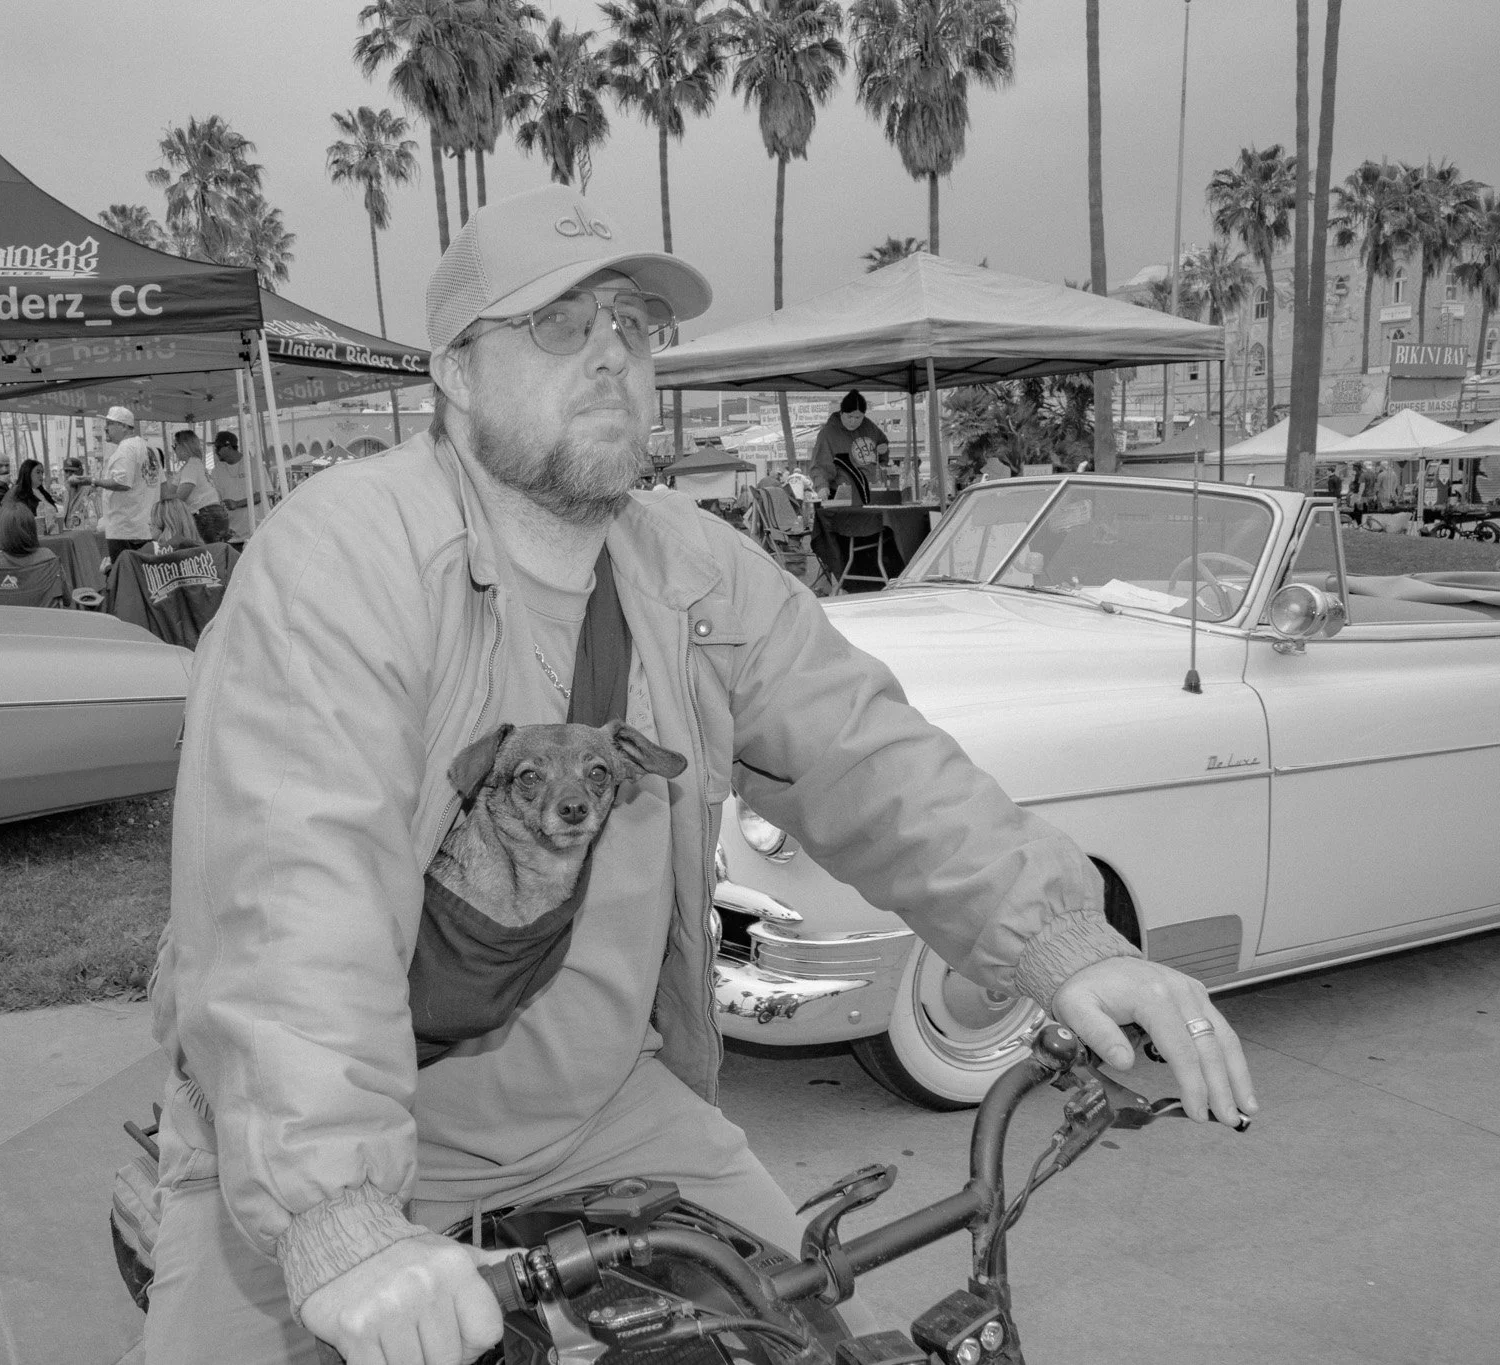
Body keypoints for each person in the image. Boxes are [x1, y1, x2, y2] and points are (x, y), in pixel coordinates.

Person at [143, 183, 1258, 1365]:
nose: (612, 355)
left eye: (634, 324)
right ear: (456, 373)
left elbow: (863, 750)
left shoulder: (692, 567)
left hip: (600, 1115)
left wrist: (1060, 942)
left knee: (821, 1336)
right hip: (326, 1148)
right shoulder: (340, 559)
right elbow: (287, 897)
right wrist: (334, 1219)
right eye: (562, 324)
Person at [73, 405, 161, 561]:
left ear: (124, 426)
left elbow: (122, 483)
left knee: (124, 576)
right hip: (147, 527)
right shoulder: (150, 449)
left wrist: (93, 481)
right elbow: (162, 485)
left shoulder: (126, 449)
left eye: (109, 424)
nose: (105, 428)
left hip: (125, 529)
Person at [807, 391, 887, 505]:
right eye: (849, 416)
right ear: (842, 413)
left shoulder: (870, 428)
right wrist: (822, 487)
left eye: (858, 417)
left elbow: (882, 442)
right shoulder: (827, 434)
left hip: (868, 492)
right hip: (840, 494)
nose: (853, 421)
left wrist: (883, 451)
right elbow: (820, 465)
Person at [159, 428, 221, 538]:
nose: (174, 450)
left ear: (183, 446)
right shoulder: (193, 464)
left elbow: (181, 496)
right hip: (211, 513)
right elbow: (169, 491)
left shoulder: (191, 466)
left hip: (205, 514)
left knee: (204, 552)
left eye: (175, 446)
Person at [208, 430, 269, 541]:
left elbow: (263, 495)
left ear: (228, 446)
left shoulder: (253, 464)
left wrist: (237, 503)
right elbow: (216, 501)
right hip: (231, 535)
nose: (216, 451)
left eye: (218, 447)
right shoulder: (216, 471)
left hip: (255, 531)